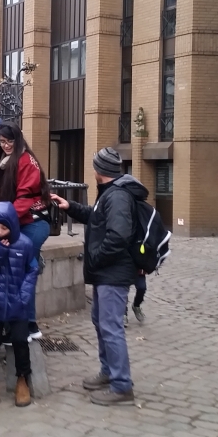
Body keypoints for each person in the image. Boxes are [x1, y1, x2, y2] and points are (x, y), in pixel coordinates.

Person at [50, 147, 144, 406]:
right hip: (106, 273)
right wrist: (71, 207)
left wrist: (97, 258)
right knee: (101, 322)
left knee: (111, 327)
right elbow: (96, 217)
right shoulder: (109, 192)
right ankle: (108, 372)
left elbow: (118, 236)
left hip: (113, 274)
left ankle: (121, 386)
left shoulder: (118, 196)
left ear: (99, 170)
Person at [0, 121, 51, 341]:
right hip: (19, 221)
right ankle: (28, 324)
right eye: (2, 141)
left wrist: (2, 221)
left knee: (22, 272)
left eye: (10, 141)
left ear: (18, 140)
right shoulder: (5, 161)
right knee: (18, 271)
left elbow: (24, 198)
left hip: (33, 222)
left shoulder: (26, 161)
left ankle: (24, 326)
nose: (6, 145)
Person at [0, 202, 38, 407]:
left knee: (21, 341)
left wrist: (24, 296)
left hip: (18, 304)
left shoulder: (25, 244)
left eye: (3, 228)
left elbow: (32, 269)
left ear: (12, 225)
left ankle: (22, 379)